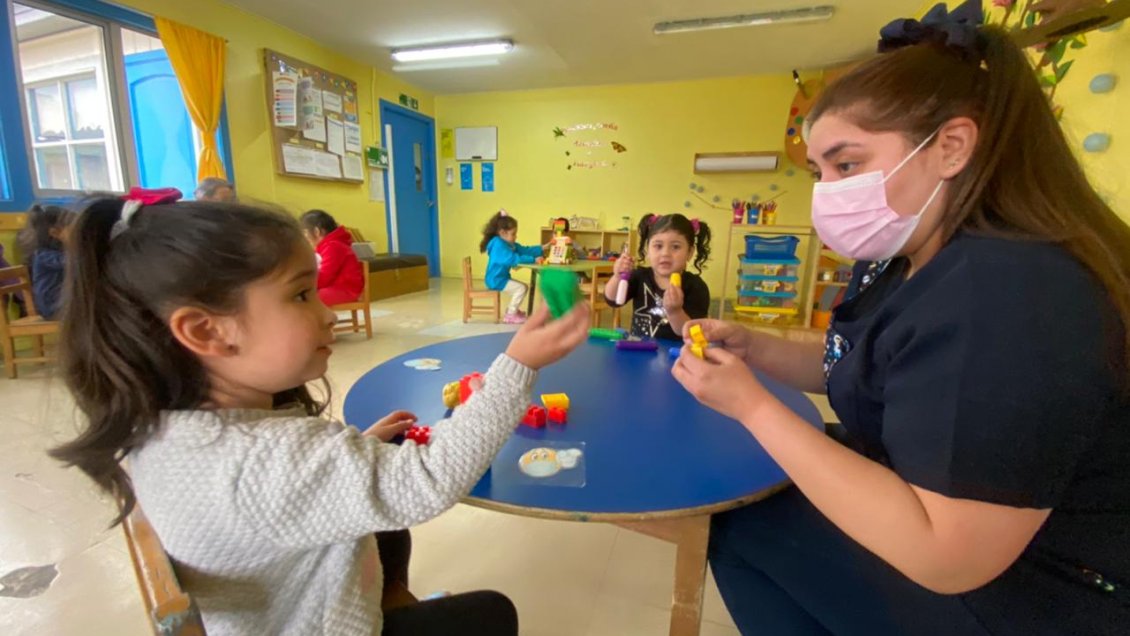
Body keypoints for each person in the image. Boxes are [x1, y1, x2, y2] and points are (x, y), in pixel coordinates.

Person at [672, 3, 1130, 635]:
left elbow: (949, 558)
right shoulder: (903, 255)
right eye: (819, 171)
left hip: (1042, 590)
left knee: (747, 511)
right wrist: (756, 349)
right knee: (751, 489)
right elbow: (864, 363)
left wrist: (754, 407)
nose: (826, 192)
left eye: (847, 164)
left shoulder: (1011, 293)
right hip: (947, 519)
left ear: (951, 146)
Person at [48, 190, 592, 635]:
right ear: (206, 331)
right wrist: (518, 362)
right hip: (307, 624)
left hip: (270, 601)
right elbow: (427, 480)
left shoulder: (169, 425)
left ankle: (396, 598)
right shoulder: (259, 460)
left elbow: (283, 480)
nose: (329, 314)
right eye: (303, 295)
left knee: (387, 530)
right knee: (491, 614)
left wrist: (356, 448)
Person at [604, 213, 711, 341]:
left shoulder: (696, 286)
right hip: (639, 351)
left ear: (689, 252)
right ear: (648, 250)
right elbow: (613, 300)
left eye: (676, 247)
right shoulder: (639, 276)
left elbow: (690, 332)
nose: (665, 253)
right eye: (658, 246)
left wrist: (675, 311)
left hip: (676, 356)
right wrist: (617, 277)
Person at [480, 209, 544, 324]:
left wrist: (544, 247)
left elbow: (525, 250)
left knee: (523, 287)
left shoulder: (507, 243)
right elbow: (512, 258)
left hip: (500, 278)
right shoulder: (498, 245)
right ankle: (510, 315)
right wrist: (533, 260)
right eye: (513, 233)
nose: (516, 236)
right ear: (503, 233)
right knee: (521, 288)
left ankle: (512, 310)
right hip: (496, 280)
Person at [300, 209, 365, 306]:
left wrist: (303, 283)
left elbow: (324, 278)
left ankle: (317, 320)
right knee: (300, 296)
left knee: (304, 298)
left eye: (305, 233)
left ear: (317, 231)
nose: (304, 237)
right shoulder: (328, 245)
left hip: (344, 290)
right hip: (335, 287)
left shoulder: (333, 246)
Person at [27, 204, 75, 320]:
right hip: (52, 307)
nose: (78, 232)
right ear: (54, 233)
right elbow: (74, 263)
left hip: (65, 303)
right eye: (73, 228)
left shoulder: (62, 252)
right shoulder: (44, 255)